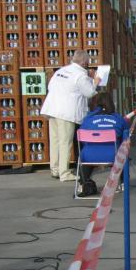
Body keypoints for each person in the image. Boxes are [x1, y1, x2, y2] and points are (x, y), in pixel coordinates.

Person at [40, 49, 100, 182]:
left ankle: (55, 169)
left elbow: (50, 86)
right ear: (84, 62)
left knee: (55, 141)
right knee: (65, 142)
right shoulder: (80, 75)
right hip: (66, 113)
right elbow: (89, 92)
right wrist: (95, 82)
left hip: (52, 109)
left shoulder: (60, 71)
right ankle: (64, 173)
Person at [76, 91, 130, 196]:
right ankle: (123, 182)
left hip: (89, 156)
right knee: (123, 151)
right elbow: (126, 137)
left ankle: (83, 182)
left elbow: (82, 139)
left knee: (88, 152)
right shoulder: (118, 119)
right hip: (113, 155)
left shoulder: (87, 119)